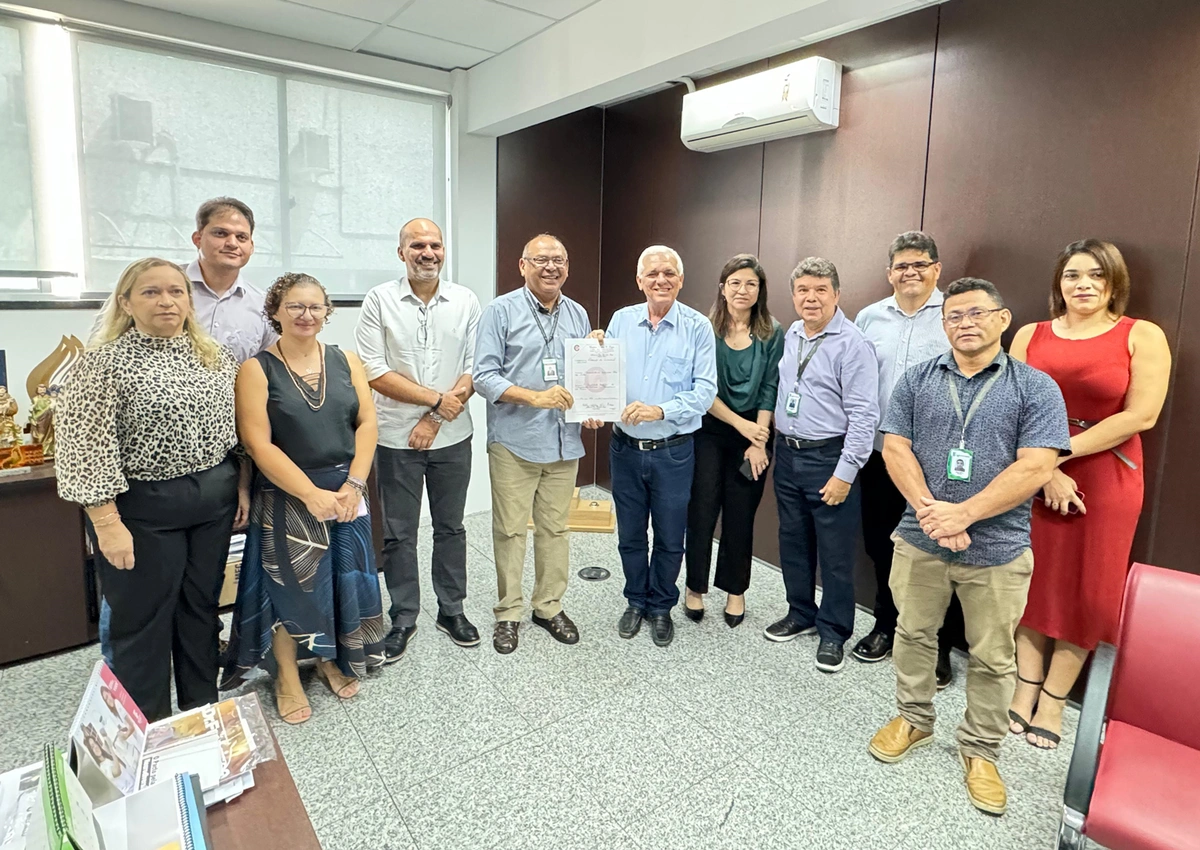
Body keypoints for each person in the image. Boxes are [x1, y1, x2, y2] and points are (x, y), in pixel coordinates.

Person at [867, 277, 1071, 816]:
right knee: (912, 633)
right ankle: (914, 719)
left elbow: (1037, 466)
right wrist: (935, 514)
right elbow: (895, 448)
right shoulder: (916, 380)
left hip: (999, 547)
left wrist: (965, 513)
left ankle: (980, 750)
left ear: (1003, 320)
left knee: (992, 655)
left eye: (977, 313)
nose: (965, 323)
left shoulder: (1035, 387)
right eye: (954, 315)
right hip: (920, 538)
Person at [56, 258, 241, 721]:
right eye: (151, 292)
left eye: (176, 291)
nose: (167, 301)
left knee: (200, 613)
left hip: (212, 504)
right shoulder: (101, 364)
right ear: (126, 302)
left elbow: (235, 433)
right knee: (143, 623)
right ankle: (146, 732)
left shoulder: (214, 356)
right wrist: (106, 523)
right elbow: (85, 446)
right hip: (141, 511)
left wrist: (239, 490)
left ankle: (201, 716)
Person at [90, 196, 273, 661]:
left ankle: (197, 692)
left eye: (241, 236)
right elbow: (93, 435)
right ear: (198, 238)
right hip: (144, 495)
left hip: (215, 481)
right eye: (220, 233)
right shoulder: (158, 282)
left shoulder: (257, 307)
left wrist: (243, 482)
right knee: (137, 611)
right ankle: (124, 687)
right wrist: (107, 521)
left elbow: (261, 388)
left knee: (200, 602)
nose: (231, 243)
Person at [1007, 240, 1170, 750]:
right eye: (1073, 274)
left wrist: (1057, 455)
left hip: (1107, 473)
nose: (1083, 284)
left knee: (1089, 588)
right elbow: (1009, 404)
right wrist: (1044, 468)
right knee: (1033, 577)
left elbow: (1140, 416)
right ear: (1058, 281)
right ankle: (1023, 685)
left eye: (1096, 275)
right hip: (1034, 468)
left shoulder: (1141, 335)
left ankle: (1055, 699)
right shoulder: (1030, 334)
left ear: (1113, 283)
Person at [221, 273, 385, 724]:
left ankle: (331, 657)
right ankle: (287, 675)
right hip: (288, 494)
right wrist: (310, 494)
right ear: (275, 311)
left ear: (326, 312)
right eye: (294, 306)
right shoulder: (257, 369)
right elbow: (259, 444)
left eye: (315, 307)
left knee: (340, 580)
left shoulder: (346, 360)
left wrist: (353, 485)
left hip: (347, 490)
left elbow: (367, 424)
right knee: (287, 589)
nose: (306, 315)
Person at [356, 218, 482, 662]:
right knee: (398, 534)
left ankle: (452, 610)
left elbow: (474, 367)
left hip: (453, 437)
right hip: (394, 439)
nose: (427, 252)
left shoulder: (465, 300)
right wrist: (435, 402)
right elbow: (374, 370)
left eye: (435, 245)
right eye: (417, 245)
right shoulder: (379, 300)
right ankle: (404, 616)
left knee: (451, 527)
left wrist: (434, 416)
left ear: (443, 251)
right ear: (401, 252)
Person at [473, 234, 603, 654]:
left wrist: (593, 401)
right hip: (515, 441)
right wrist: (535, 397)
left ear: (568, 266)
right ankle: (508, 613)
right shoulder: (501, 311)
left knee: (556, 529)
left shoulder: (578, 313)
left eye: (559, 260)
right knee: (510, 531)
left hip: (564, 442)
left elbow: (582, 375)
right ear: (522, 265)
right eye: (541, 260)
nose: (551, 267)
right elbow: (483, 377)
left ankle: (548, 607)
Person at [853, 231, 963, 688]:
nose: (910, 272)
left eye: (920, 264)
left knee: (938, 551)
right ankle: (885, 625)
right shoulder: (869, 317)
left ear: (937, 269)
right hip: (880, 454)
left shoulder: (955, 315)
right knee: (882, 544)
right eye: (901, 265)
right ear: (889, 272)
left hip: (935, 462)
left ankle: (938, 645)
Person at [596, 245, 717, 647]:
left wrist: (659, 411)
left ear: (681, 280)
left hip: (673, 451)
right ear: (639, 281)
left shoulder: (698, 327)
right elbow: (604, 373)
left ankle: (662, 605)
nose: (660, 280)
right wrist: (595, 365)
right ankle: (635, 599)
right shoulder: (620, 320)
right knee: (630, 534)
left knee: (669, 536)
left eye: (668, 273)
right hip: (625, 450)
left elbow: (704, 392)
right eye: (652, 274)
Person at [765, 258, 879, 674]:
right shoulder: (794, 333)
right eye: (803, 291)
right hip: (789, 454)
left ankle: (834, 631)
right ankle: (800, 612)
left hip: (829, 457)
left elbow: (865, 416)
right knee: (792, 541)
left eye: (820, 290)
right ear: (793, 295)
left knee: (834, 553)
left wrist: (845, 472)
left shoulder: (853, 344)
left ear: (836, 294)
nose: (810, 298)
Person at [683, 254, 783, 628]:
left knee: (741, 515)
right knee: (702, 511)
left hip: (755, 435)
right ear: (722, 288)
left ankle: (735, 591)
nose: (743, 290)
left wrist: (758, 440)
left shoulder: (773, 331)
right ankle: (694, 588)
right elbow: (702, 391)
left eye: (751, 284)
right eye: (735, 283)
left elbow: (771, 385)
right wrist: (743, 428)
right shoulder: (704, 329)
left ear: (761, 291)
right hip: (710, 431)